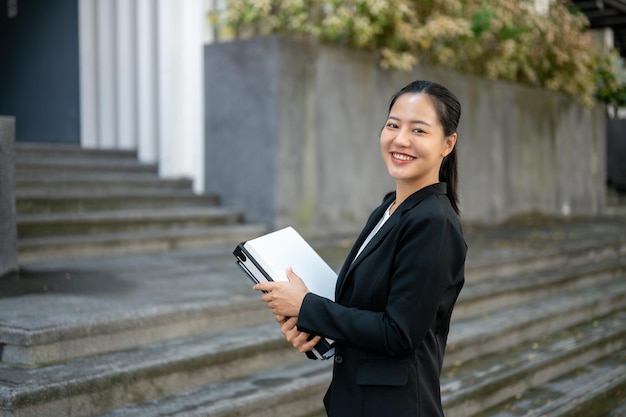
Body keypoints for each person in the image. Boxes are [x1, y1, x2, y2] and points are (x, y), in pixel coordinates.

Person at [254, 80, 467, 417]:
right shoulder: (388, 208)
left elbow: (399, 334)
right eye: (393, 125)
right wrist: (312, 326)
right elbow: (367, 309)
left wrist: (308, 306)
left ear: (447, 143)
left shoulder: (433, 223)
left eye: (419, 130)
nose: (401, 139)